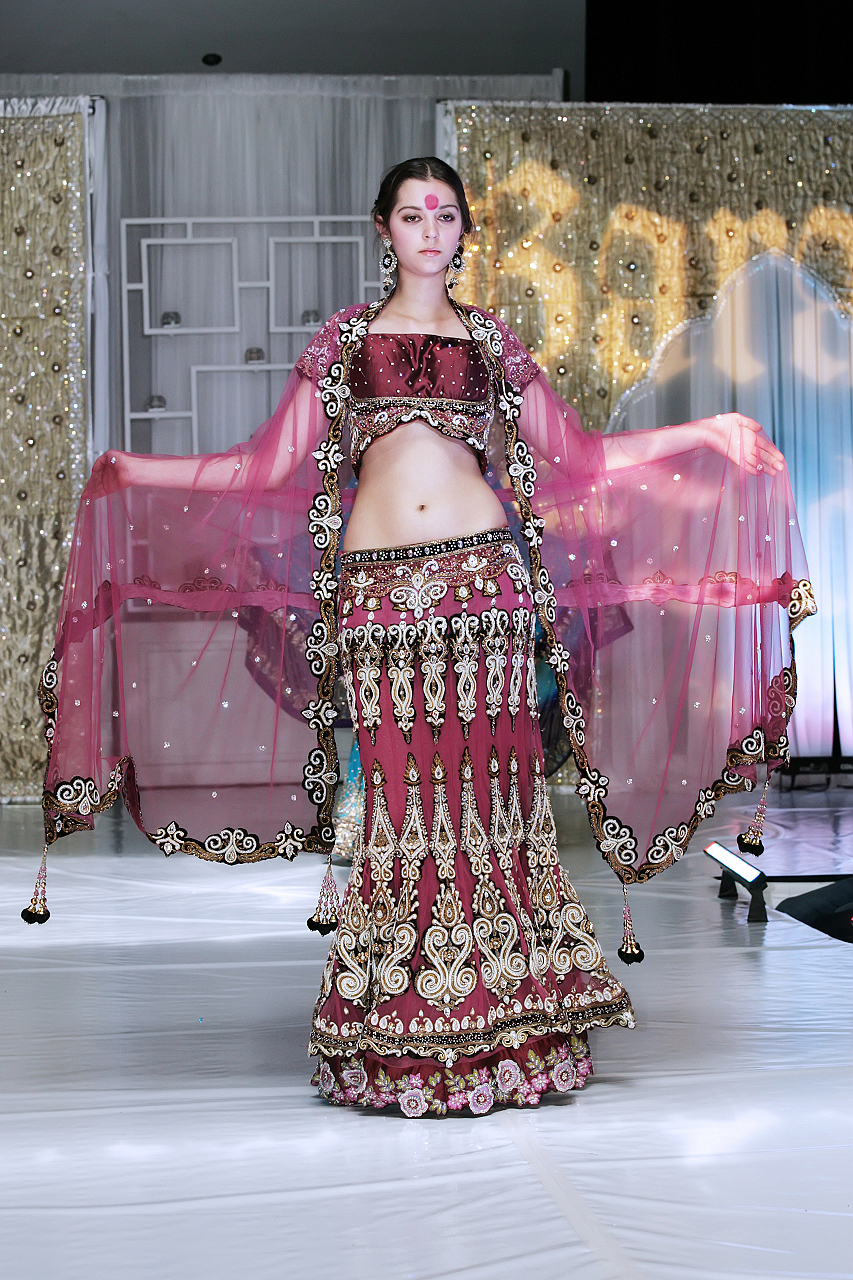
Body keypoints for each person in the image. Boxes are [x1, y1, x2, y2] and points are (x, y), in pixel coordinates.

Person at [27, 158, 813, 1119]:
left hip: (484, 588)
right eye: (412, 215)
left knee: (493, 798)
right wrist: (139, 472)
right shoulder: (345, 340)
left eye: (445, 214)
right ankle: (401, 1015)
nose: (430, 230)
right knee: (404, 805)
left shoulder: (491, 342)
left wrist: (709, 434)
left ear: (464, 232)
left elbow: (579, 457)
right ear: (384, 230)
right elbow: (266, 466)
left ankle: (513, 1018)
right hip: (381, 598)